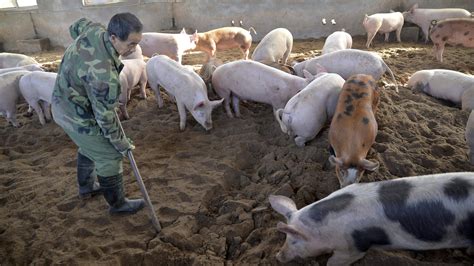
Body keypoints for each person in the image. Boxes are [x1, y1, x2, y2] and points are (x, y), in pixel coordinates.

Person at [52, 13, 145, 215]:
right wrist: (122, 145)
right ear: (113, 37)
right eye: (130, 44)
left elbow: (76, 25)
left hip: (66, 99)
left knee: (91, 146)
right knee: (109, 155)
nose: (134, 49)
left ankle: (86, 187)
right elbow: (106, 118)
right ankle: (118, 205)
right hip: (74, 114)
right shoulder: (104, 76)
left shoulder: (94, 29)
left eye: (137, 43)